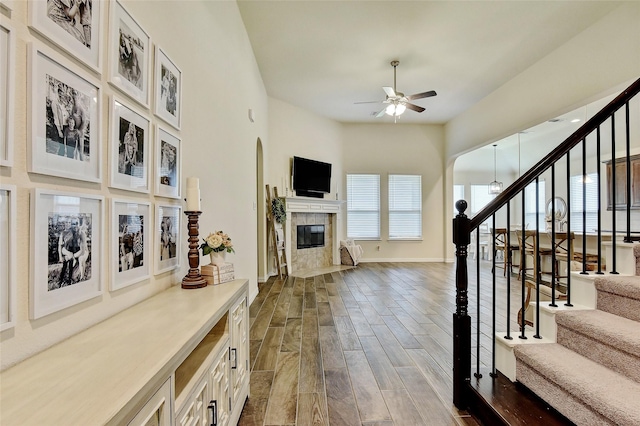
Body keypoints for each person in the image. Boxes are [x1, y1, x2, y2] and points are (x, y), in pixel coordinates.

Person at [58, 219, 81, 286]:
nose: (68, 224)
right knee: (64, 267)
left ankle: (69, 281)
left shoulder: (73, 232)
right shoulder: (62, 233)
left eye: (69, 222)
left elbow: (76, 242)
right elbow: (60, 246)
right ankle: (60, 281)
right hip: (66, 252)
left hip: (72, 251)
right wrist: (60, 256)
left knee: (71, 268)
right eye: (67, 222)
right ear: (64, 223)